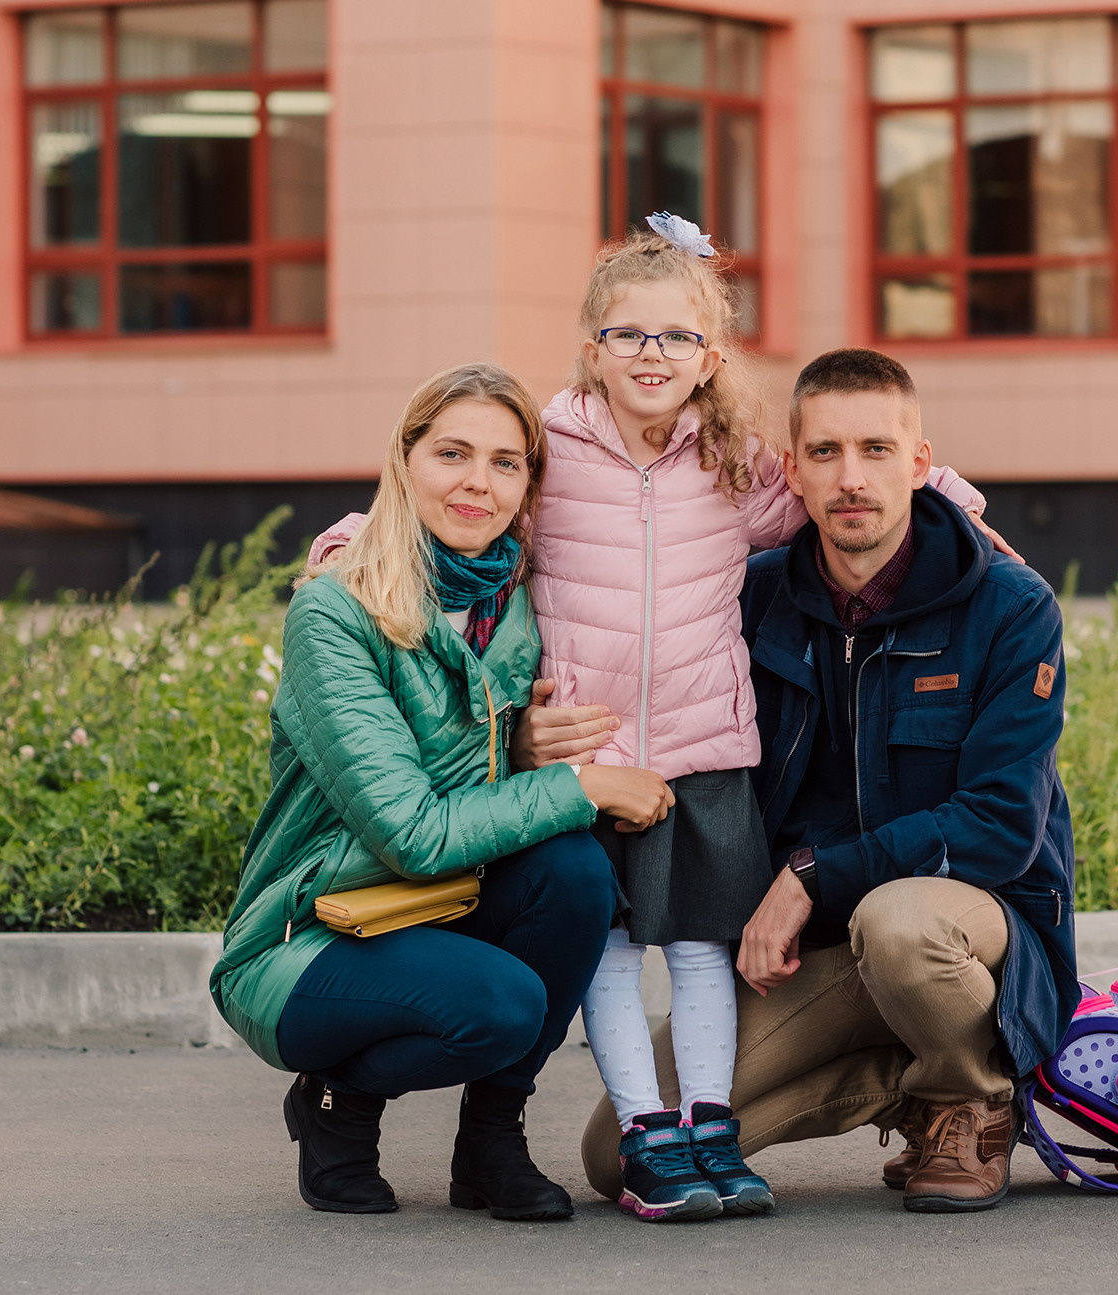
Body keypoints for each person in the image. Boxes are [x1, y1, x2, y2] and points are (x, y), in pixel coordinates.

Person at [311, 218, 1013, 1222]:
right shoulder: (548, 458)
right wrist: (340, 545)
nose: (651, 354)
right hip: (586, 753)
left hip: (704, 751)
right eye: (627, 334)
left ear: (708, 357)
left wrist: (959, 511)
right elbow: (441, 509)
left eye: (675, 337)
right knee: (601, 942)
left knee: (697, 947)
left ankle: (708, 1124)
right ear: (592, 347)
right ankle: (646, 1131)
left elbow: (847, 482)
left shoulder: (733, 467)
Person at [572, 347, 1081, 1214]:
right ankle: (911, 1085)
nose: (852, 478)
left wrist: (810, 877)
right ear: (792, 470)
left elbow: (1000, 826)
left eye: (877, 450)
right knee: (620, 1158)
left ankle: (972, 1096)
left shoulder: (1008, 603)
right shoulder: (751, 593)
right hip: (816, 951)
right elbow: (598, 556)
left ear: (921, 464)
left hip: (966, 922)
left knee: (901, 923)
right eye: (826, 453)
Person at [210, 363, 673, 1223]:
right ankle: (336, 1105)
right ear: (404, 460)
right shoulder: (336, 611)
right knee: (502, 1004)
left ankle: (491, 1145)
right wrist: (580, 781)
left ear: (530, 484)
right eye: (452, 452)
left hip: (438, 906)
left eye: (506, 462)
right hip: (310, 933)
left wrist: (941, 499)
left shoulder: (519, 602)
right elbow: (412, 832)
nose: (478, 482)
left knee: (575, 873)